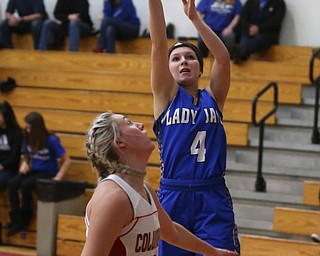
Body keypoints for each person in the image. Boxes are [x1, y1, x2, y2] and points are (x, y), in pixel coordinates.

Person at [148, 0, 240, 255]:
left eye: (190, 57)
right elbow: (157, 44)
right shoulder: (165, 97)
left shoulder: (214, 97)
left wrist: (195, 20)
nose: (183, 62)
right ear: (168, 69)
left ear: (200, 69)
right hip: (173, 195)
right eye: (176, 59)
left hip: (212, 195)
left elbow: (222, 57)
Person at [81, 111, 238, 256]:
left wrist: (212, 252)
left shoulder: (144, 189)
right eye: (129, 123)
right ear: (119, 142)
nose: (140, 125)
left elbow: (172, 233)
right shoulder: (114, 198)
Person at [7, 111, 71, 236]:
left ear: (36, 127)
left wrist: (58, 177)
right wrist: (24, 163)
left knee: (25, 185)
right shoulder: (27, 137)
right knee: (12, 183)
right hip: (34, 170)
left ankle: (26, 214)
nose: (27, 129)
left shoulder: (51, 140)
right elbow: (26, 156)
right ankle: (17, 218)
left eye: (29, 127)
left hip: (47, 172)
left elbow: (67, 160)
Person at [0, 101, 23, 191]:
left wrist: (2, 166)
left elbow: (14, 157)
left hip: (8, 169)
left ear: (6, 116)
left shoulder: (16, 133)